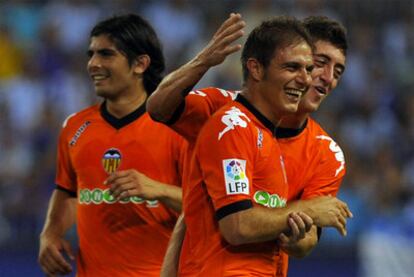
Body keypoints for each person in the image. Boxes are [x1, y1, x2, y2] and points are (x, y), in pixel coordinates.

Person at [148, 14, 352, 276]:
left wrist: (296, 236)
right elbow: (157, 108)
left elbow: (308, 239)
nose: (327, 78)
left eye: (337, 71)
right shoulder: (226, 115)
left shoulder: (327, 153)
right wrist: (204, 61)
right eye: (320, 63)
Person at [38, 14, 187, 277]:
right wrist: (51, 232)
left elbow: (210, 209)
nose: (93, 64)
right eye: (91, 54)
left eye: (106, 54)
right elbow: (68, 191)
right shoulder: (75, 127)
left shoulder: (178, 128)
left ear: (140, 64)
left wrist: (159, 190)